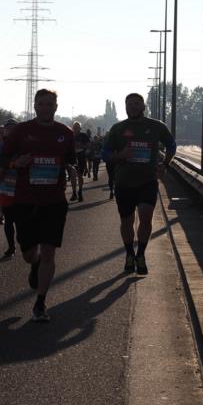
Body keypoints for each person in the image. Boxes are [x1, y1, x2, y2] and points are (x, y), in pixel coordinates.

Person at [0, 89, 78, 322]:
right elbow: (1, 159)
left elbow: (72, 159)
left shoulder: (64, 133)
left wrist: (70, 168)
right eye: (41, 103)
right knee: (29, 253)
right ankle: (35, 262)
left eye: (49, 104)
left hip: (54, 201)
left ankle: (40, 303)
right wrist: (15, 163)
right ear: (35, 106)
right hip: (25, 201)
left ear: (56, 106)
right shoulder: (21, 131)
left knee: (50, 250)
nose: (45, 107)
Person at [101, 93, 176, 275]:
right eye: (129, 104)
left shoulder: (156, 126)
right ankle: (129, 254)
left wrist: (164, 163)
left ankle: (141, 254)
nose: (133, 107)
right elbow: (105, 154)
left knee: (145, 217)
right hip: (124, 183)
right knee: (127, 222)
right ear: (125, 107)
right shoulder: (118, 129)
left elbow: (171, 145)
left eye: (137, 104)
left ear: (143, 106)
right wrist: (120, 155)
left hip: (147, 181)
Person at [0, 119, 20, 257]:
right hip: (6, 187)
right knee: (8, 219)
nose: (11, 131)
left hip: (21, 187)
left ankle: (21, 241)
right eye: (9, 129)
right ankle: (11, 247)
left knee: (21, 219)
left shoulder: (24, 146)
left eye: (14, 129)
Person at [69, 121, 90, 202]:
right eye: (74, 127)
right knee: (73, 175)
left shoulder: (83, 135)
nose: (76, 129)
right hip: (72, 157)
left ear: (80, 128)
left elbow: (89, 145)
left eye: (77, 127)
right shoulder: (70, 135)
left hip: (81, 157)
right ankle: (74, 192)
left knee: (80, 175)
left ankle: (80, 191)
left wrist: (81, 146)